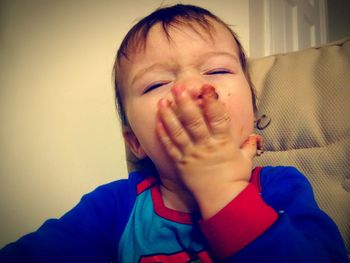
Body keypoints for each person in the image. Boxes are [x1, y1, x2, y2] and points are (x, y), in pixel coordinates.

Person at [0, 4, 349, 263]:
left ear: (253, 117)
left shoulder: (281, 187)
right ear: (136, 142)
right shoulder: (113, 207)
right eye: (157, 84)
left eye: (216, 69)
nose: (189, 88)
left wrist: (223, 191)